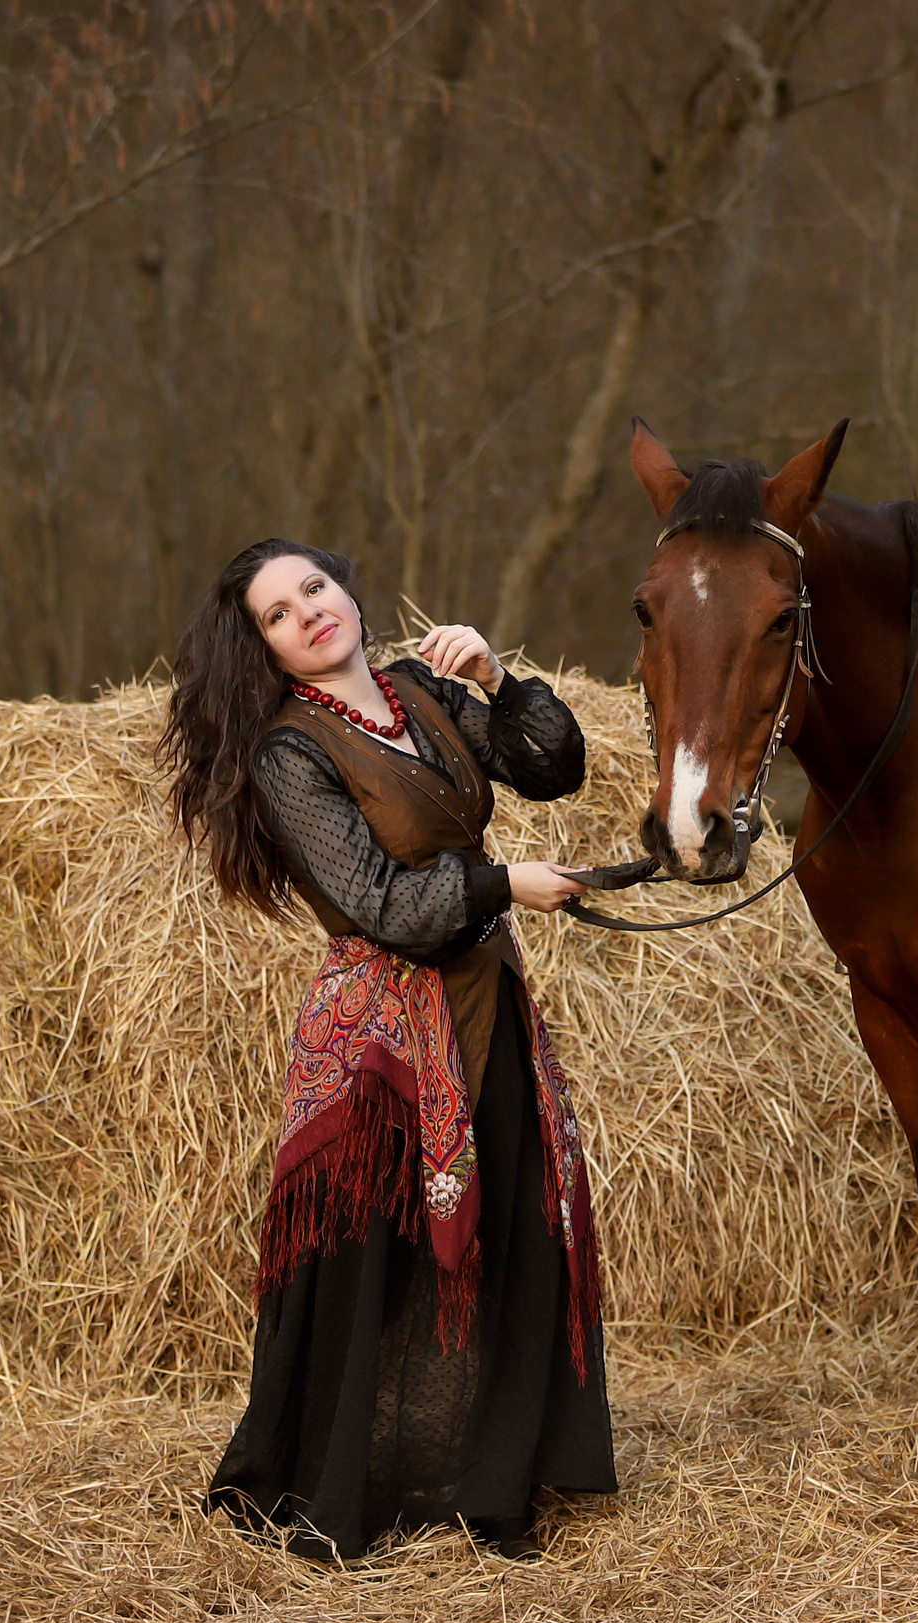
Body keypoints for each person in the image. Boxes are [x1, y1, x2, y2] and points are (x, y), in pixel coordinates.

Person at [163, 537, 615, 1562]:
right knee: (372, 1268)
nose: (309, 614)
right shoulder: (290, 753)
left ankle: (494, 1491)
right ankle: (338, 1491)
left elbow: (552, 767)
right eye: (279, 615)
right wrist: (505, 885)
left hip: (486, 999)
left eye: (314, 587)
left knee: (511, 1233)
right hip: (382, 1038)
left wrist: (496, 678)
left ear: (346, 589)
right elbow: (378, 905)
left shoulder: (421, 693)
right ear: (266, 650)